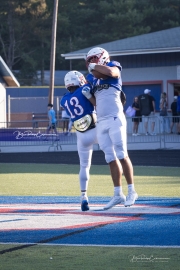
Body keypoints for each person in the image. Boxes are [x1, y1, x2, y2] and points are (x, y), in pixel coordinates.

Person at [83, 47, 138, 209]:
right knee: (110, 158)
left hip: (115, 118)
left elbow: (112, 73)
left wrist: (93, 67)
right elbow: (96, 103)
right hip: (102, 120)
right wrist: (88, 95)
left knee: (122, 154)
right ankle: (117, 194)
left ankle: (132, 191)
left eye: (92, 59)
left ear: (101, 57)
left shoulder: (113, 65)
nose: (90, 63)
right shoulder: (92, 78)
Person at [60, 70, 98, 211]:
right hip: (95, 128)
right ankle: (119, 191)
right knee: (113, 155)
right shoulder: (84, 89)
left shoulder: (64, 99)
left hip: (81, 133)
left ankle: (84, 197)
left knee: (84, 166)